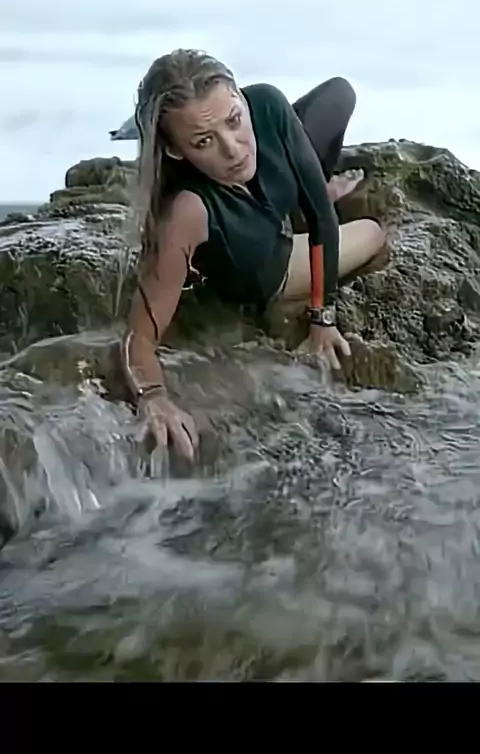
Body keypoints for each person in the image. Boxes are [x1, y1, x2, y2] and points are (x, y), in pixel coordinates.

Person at [121, 48, 386, 461]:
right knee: (372, 232)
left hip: (275, 201)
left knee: (339, 94)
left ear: (241, 98)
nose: (233, 149)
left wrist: (323, 317)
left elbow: (322, 217)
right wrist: (153, 397)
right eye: (204, 141)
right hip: (266, 264)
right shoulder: (187, 212)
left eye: (234, 120)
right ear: (175, 150)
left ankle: (306, 190)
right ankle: (299, 206)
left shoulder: (265, 103)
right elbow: (139, 338)